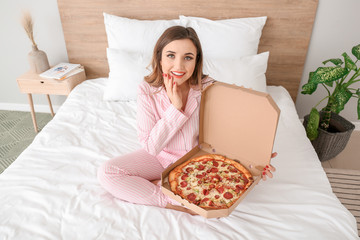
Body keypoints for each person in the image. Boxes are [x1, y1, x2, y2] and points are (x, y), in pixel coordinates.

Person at [97, 26, 276, 214]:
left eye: (188, 57)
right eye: (171, 55)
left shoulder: (210, 88)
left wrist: (255, 155)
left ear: (196, 61)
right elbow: (151, 147)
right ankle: (170, 198)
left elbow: (228, 131)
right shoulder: (147, 90)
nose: (179, 66)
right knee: (107, 172)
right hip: (160, 157)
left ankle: (173, 191)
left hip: (199, 162)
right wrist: (175, 108)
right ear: (159, 57)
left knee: (228, 191)